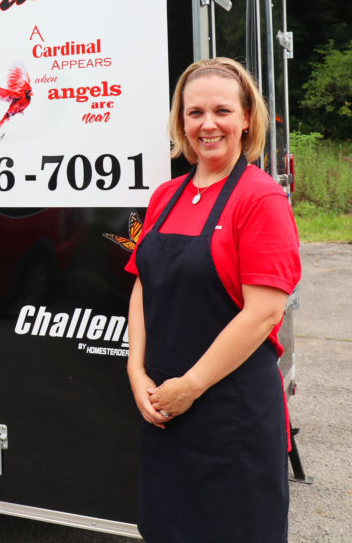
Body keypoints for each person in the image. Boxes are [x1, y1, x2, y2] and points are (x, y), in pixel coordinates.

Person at [125, 57, 300, 542]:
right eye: (194, 112)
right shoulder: (166, 195)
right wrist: (136, 370)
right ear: (181, 122)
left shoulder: (260, 199)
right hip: (165, 409)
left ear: (247, 118)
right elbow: (143, 283)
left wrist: (192, 385)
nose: (207, 124)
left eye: (222, 110)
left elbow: (264, 310)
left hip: (230, 413)